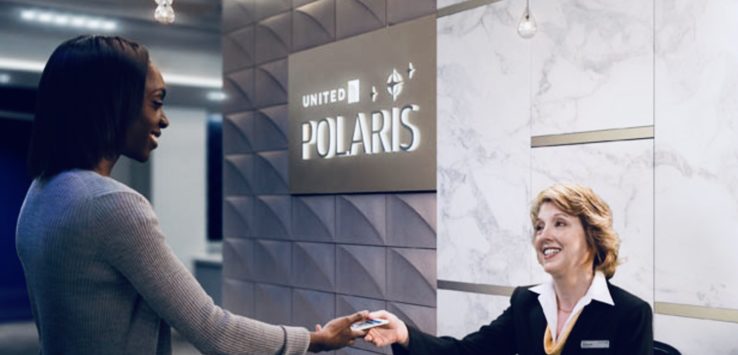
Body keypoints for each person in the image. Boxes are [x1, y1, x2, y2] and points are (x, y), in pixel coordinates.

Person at [15, 35, 367, 354]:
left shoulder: (41, 195)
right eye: (156, 103)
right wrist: (316, 340)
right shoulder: (111, 205)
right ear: (113, 104)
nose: (164, 120)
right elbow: (213, 331)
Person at [364, 184, 653, 354]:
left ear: (593, 237)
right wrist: (404, 334)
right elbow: (468, 353)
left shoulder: (630, 313)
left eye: (560, 223)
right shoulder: (525, 303)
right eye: (539, 226)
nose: (544, 235)